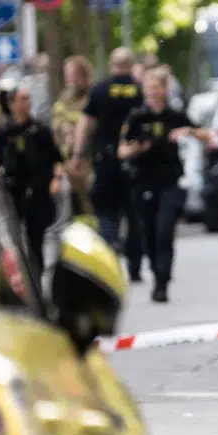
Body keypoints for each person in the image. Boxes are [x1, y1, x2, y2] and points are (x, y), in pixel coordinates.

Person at [120, 69, 210, 302]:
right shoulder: (137, 117)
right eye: (149, 88)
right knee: (148, 232)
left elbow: (206, 135)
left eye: (157, 87)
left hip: (170, 181)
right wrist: (136, 149)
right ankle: (154, 267)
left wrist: (187, 131)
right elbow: (122, 150)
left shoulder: (175, 115)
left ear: (165, 90)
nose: (153, 92)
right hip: (143, 181)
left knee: (164, 230)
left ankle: (162, 281)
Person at [72, 47, 144, 280]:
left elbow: (85, 124)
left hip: (106, 160)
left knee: (106, 211)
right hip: (136, 161)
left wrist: (77, 153)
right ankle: (134, 267)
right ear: (131, 65)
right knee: (134, 214)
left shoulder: (100, 90)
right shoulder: (141, 91)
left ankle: (110, 252)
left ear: (112, 65)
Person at [0, 85, 65, 267]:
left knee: (36, 237)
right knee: (13, 236)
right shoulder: (5, 132)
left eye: (28, 99)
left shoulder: (40, 130)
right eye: (22, 99)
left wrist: (56, 179)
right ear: (12, 104)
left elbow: (57, 159)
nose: (26, 104)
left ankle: (37, 273)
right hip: (14, 190)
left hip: (38, 189)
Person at [51, 55, 95, 223]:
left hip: (87, 156)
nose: (69, 79)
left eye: (72, 74)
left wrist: (76, 128)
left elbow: (92, 122)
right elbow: (56, 117)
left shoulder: (91, 95)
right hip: (68, 157)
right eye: (67, 74)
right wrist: (62, 126)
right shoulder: (65, 96)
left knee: (88, 198)